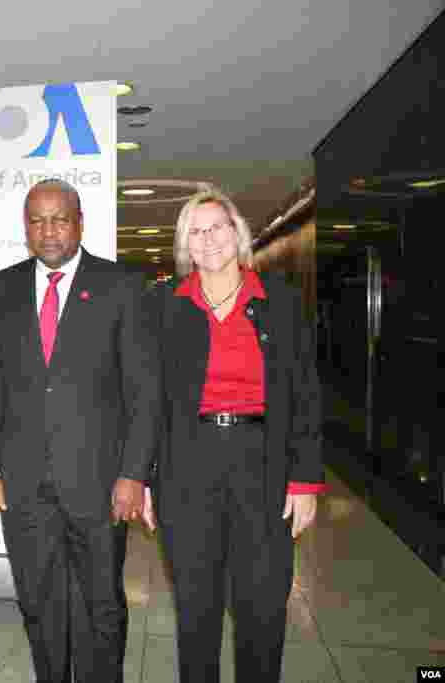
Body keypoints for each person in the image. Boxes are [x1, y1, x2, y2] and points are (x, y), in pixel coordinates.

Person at [0, 178, 162, 683]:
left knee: (102, 604)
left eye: (59, 218)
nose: (49, 230)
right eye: (37, 220)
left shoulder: (121, 285)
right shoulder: (1, 287)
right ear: (25, 228)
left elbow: (144, 390)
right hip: (24, 482)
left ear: (80, 222)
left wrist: (133, 474)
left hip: (100, 481)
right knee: (38, 603)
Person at [142, 189, 324, 683]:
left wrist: (305, 480)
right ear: (186, 246)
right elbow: (148, 400)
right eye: (196, 231)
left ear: (238, 232)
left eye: (217, 226)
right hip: (187, 464)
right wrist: (144, 479)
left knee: (262, 605)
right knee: (195, 607)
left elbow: (305, 392)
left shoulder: (280, 302)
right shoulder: (163, 306)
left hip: (262, 461)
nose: (209, 238)